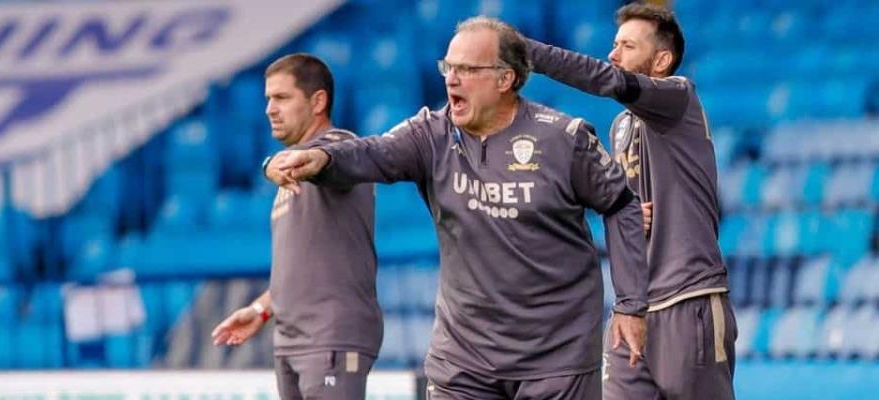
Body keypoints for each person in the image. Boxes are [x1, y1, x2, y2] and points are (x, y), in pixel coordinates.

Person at [267, 17, 648, 399]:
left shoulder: (563, 138)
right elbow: (371, 152)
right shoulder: (430, 134)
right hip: (464, 362)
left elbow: (622, 206)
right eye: (448, 67)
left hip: (556, 360)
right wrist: (322, 157)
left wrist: (630, 305)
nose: (452, 79)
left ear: (505, 79)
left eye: (467, 69)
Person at [525, 3, 737, 399]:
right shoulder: (621, 125)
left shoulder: (679, 97)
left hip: (686, 299)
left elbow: (605, 80)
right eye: (614, 44)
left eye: (627, 46)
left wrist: (526, 52)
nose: (613, 54)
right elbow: (616, 201)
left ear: (661, 60)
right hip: (632, 309)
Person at [210, 53, 382, 400]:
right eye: (268, 99)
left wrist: (269, 163)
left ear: (318, 102)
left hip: (331, 335)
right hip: (290, 342)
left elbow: (319, 160)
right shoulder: (288, 178)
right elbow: (304, 265)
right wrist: (260, 309)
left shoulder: (341, 147)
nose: (269, 109)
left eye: (282, 97)